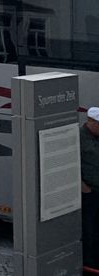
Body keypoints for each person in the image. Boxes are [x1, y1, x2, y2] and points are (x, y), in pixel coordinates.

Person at [81, 106, 99, 271]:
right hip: (89, 191)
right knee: (88, 228)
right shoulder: (80, 138)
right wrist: (83, 187)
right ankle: (89, 261)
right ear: (91, 121)